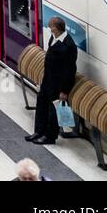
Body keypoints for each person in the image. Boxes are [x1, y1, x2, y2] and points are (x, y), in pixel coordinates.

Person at [26, 16, 78, 146]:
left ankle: (49, 137)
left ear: (56, 28)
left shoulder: (68, 46)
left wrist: (65, 90)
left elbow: (70, 70)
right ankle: (39, 131)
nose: (49, 29)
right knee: (41, 104)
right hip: (48, 79)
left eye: (51, 27)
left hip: (58, 84)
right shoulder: (54, 38)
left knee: (52, 111)